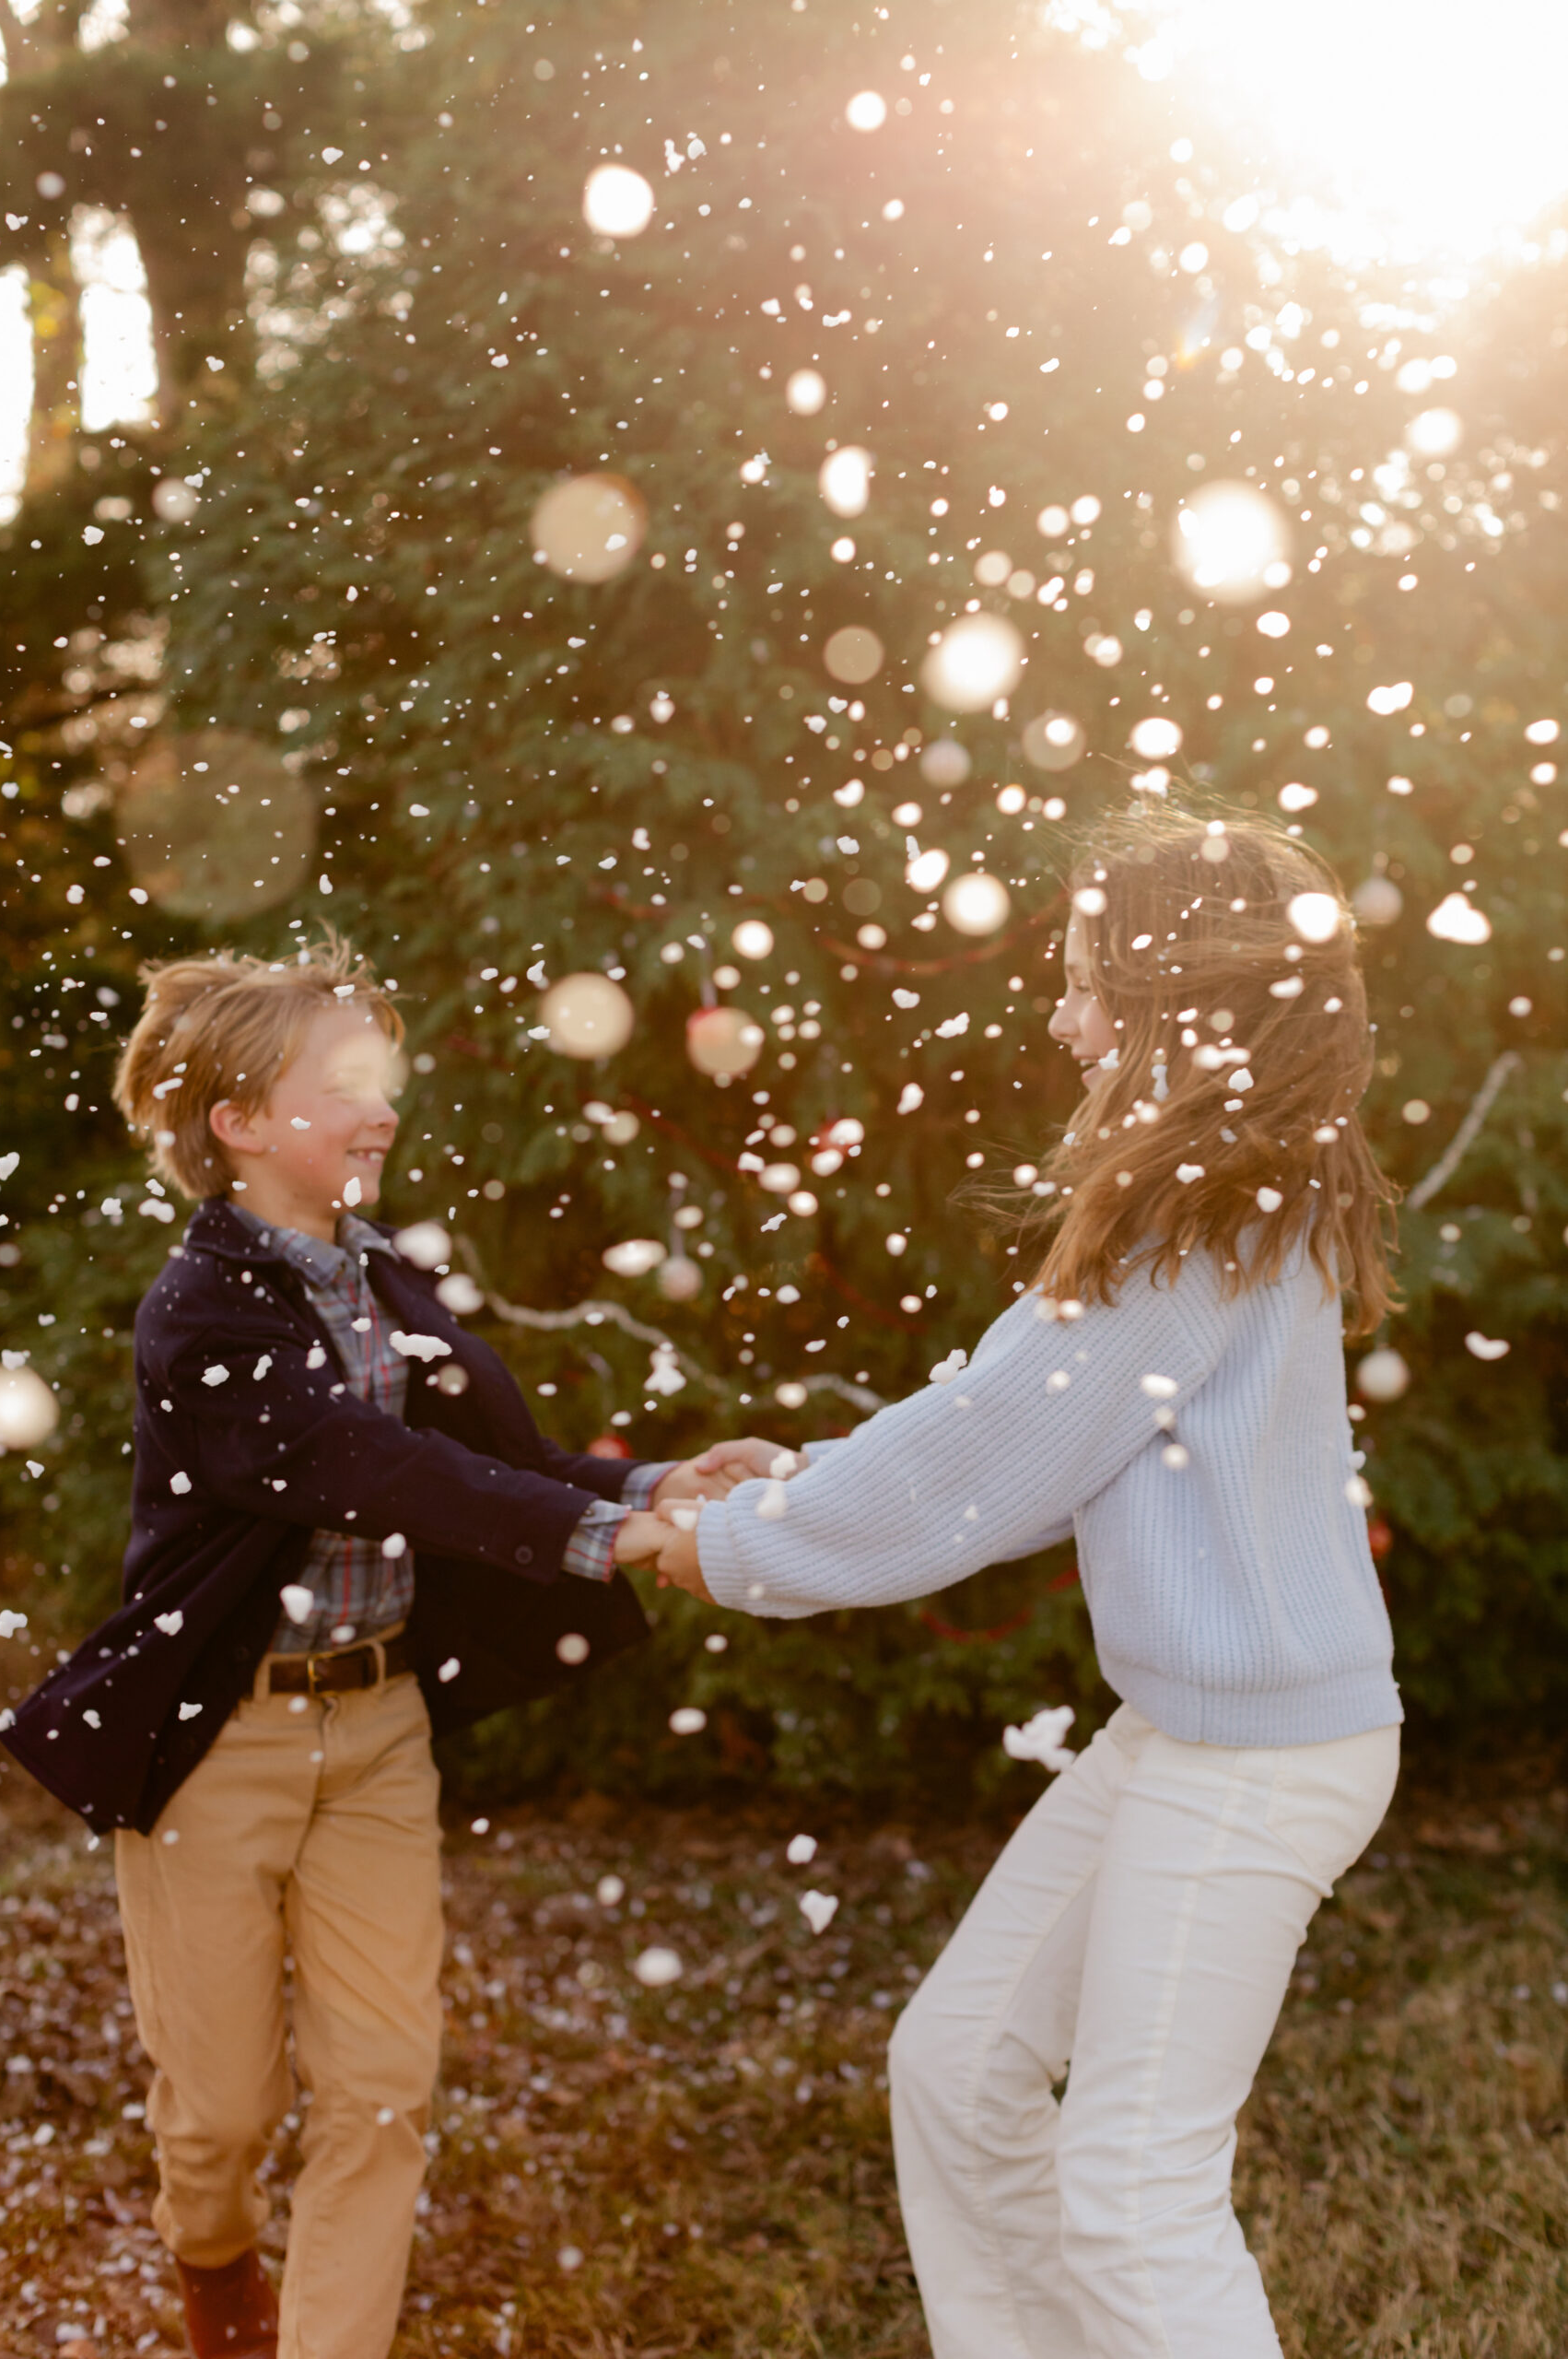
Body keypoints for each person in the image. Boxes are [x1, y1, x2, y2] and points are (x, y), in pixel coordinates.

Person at [632, 807, 1403, 2359]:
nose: (1061, 1015)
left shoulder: (1196, 1227)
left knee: (1131, 2187)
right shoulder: (1225, 1198)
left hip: (1256, 1762)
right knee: (962, 2061)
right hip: (1192, 1735)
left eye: (1083, 980)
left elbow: (986, 1456)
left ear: (1174, 1001)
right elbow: (1017, 1426)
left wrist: (719, 1546)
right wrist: (799, 1490)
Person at [0, 935, 771, 2359]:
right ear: (235, 1123)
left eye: (384, 1079)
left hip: (376, 1739)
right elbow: (366, 1467)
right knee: (222, 2109)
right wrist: (612, 1545)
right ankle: (213, 2257)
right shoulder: (203, 1308)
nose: (382, 1108)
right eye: (344, 1084)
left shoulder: (391, 1278)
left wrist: (653, 1487)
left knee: (381, 2092)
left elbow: (493, 1456)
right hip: (217, 1746)